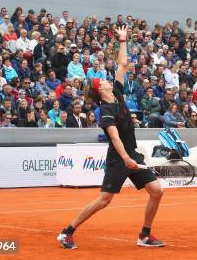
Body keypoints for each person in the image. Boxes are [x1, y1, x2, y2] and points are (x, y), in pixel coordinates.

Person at [57, 25, 164, 249]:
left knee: (156, 191)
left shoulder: (116, 93)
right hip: (118, 159)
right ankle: (67, 232)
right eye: (102, 81)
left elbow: (123, 65)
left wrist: (123, 40)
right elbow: (115, 139)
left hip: (132, 154)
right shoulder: (105, 111)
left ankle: (144, 235)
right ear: (100, 89)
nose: (106, 79)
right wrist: (126, 159)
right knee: (104, 200)